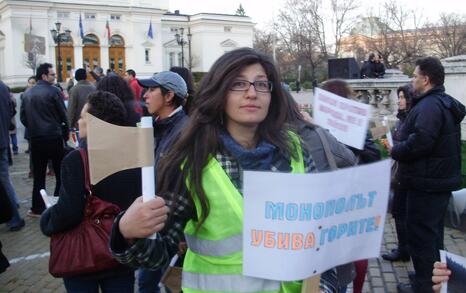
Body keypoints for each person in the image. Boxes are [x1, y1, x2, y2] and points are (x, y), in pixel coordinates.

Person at [109, 47, 338, 292]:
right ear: (219, 92)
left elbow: (320, 233)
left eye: (261, 84)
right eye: (238, 84)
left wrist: (325, 285)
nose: (252, 93)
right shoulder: (191, 159)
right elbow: (155, 255)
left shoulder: (295, 149)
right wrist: (126, 233)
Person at [40, 91, 141, 292]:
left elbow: (69, 211)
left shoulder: (77, 159)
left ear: (96, 123)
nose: (78, 121)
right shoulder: (137, 156)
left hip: (83, 257)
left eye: (83, 117)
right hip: (121, 253)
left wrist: (47, 219)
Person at [391, 57, 466, 293]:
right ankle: (431, 278)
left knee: (422, 237)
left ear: (426, 79)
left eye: (414, 76)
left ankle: (424, 285)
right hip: (434, 182)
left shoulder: (429, 106)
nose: (412, 80)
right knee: (432, 237)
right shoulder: (437, 103)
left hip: (427, 184)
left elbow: (421, 142)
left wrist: (397, 149)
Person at [320, 79, 381, 293]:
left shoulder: (355, 126)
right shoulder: (317, 126)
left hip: (348, 193)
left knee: (352, 250)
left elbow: (373, 156)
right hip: (346, 194)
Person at [134, 71, 189, 293]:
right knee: (149, 282)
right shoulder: (156, 126)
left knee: (156, 283)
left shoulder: (185, 131)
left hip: (172, 231)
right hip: (157, 224)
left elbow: (186, 186)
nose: (145, 95)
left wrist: (183, 234)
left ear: (168, 96)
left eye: (151, 90)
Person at [21, 63, 69, 217]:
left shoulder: (27, 93)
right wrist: (65, 133)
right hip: (53, 137)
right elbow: (63, 114)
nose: (55, 77)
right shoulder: (54, 91)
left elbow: (23, 117)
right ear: (44, 76)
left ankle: (37, 207)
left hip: (36, 139)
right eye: (52, 74)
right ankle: (59, 203)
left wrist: (34, 127)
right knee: (60, 173)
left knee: (39, 175)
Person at [381, 85, 414, 263]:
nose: (399, 100)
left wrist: (395, 148)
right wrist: (386, 140)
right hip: (400, 171)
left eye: (402, 97)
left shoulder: (412, 118)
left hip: (407, 174)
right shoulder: (402, 119)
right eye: (398, 97)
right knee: (398, 212)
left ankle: (405, 250)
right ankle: (403, 248)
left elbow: (409, 145)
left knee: (401, 213)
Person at [0, 80, 25, 231]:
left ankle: (14, 216)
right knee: (4, 179)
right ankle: (13, 212)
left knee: (3, 180)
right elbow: (11, 111)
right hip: (2, 139)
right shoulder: (3, 87)